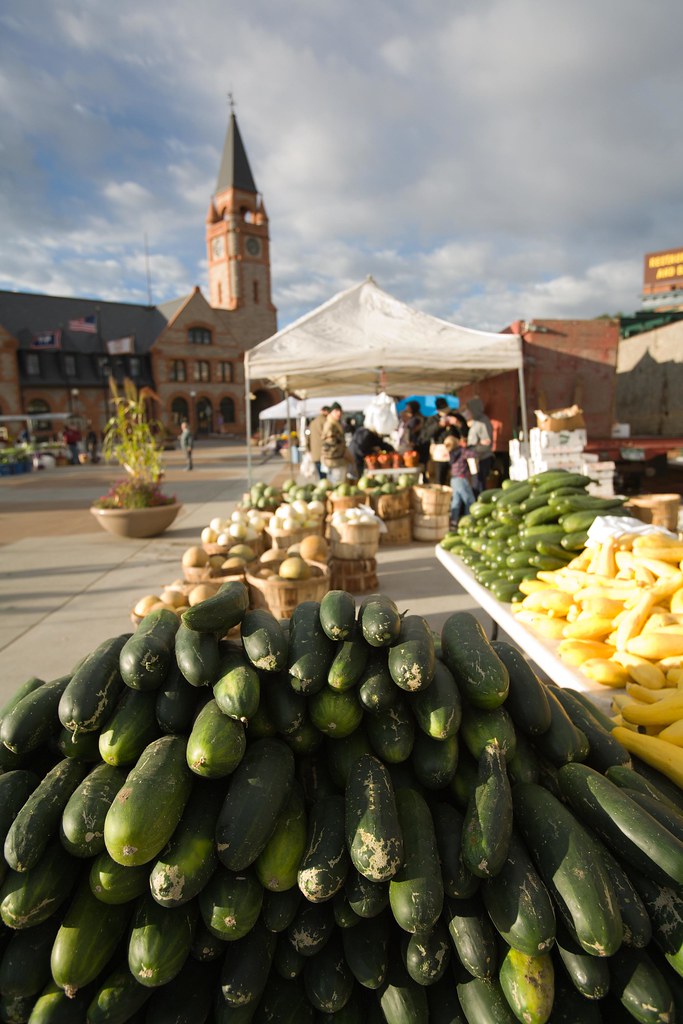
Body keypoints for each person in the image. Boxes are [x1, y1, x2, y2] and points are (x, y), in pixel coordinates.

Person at [461, 397, 495, 495]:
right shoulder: (475, 421)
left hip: (481, 459)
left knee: (479, 484)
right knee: (475, 483)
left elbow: (487, 443)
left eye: (468, 410)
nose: (467, 412)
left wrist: (473, 448)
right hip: (474, 458)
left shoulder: (483, 422)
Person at [444, 431, 476, 528]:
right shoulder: (461, 451)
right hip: (462, 479)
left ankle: (454, 520)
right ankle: (469, 520)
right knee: (470, 500)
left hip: (454, 479)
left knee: (456, 501)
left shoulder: (451, 453)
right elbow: (473, 454)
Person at [320, 402, 348, 484]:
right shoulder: (330, 425)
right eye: (336, 411)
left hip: (337, 460)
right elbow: (330, 444)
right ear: (331, 412)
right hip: (334, 461)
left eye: (340, 411)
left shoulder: (336, 424)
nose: (339, 413)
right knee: (337, 484)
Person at [307, 405, 330, 479]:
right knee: (326, 476)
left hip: (315, 453)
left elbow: (307, 437)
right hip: (324, 453)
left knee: (321, 476)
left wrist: (309, 449)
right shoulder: (326, 421)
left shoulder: (312, 422)